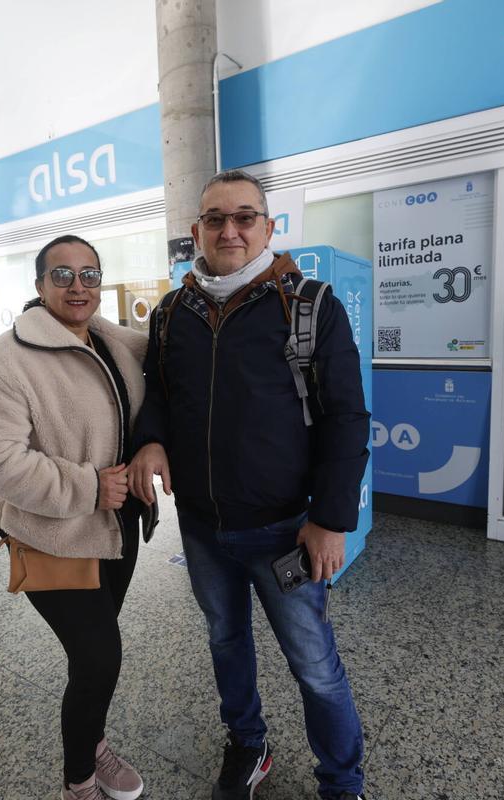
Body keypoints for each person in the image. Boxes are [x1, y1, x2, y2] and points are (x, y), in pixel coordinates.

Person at [129, 170, 370, 800]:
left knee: (314, 665)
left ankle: (342, 783)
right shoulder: (171, 313)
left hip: (285, 527)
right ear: (196, 231)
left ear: (267, 227)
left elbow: (348, 418)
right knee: (225, 639)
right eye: (215, 218)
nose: (229, 230)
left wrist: (332, 519)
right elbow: (157, 391)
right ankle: (249, 745)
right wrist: (150, 438)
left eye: (244, 217)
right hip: (204, 526)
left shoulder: (311, 305)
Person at [0, 234, 153, 800]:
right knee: (99, 658)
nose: (78, 286)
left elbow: (169, 364)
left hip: (116, 528)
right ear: (40, 285)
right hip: (52, 534)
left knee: (96, 654)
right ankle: (78, 782)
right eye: (63, 275)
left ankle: (91, 742)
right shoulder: (7, 361)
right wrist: (89, 486)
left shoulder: (108, 340)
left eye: (89, 274)